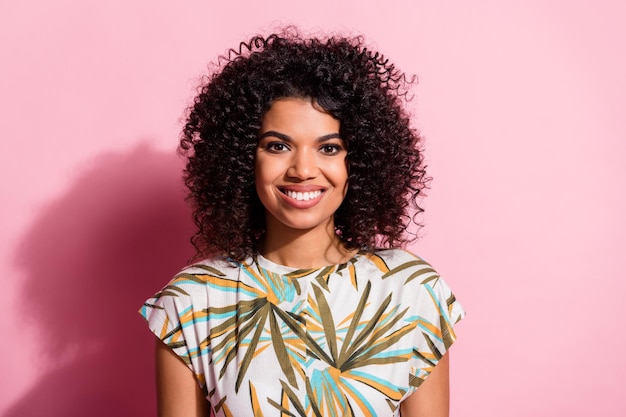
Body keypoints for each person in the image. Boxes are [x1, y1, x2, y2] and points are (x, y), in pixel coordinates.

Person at [140, 28, 465, 417]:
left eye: (329, 148)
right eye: (278, 146)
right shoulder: (194, 301)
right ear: (245, 157)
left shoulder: (411, 291)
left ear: (358, 162)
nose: (303, 170)